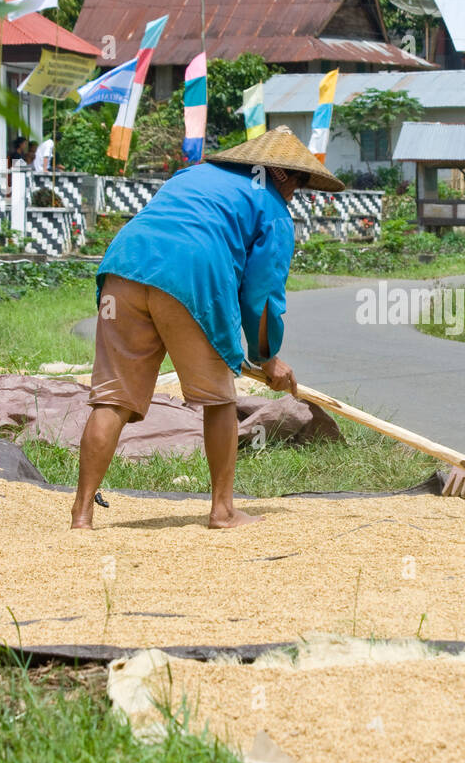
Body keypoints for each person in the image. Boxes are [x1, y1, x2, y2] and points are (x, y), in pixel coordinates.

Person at [71, 127, 344, 530]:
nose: (295, 193)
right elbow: (262, 295)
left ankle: (81, 515)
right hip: (192, 279)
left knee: (112, 399)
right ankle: (223, 510)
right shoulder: (271, 207)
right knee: (219, 400)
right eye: (298, 183)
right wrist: (268, 358)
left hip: (123, 269)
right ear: (281, 174)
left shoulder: (191, 175)